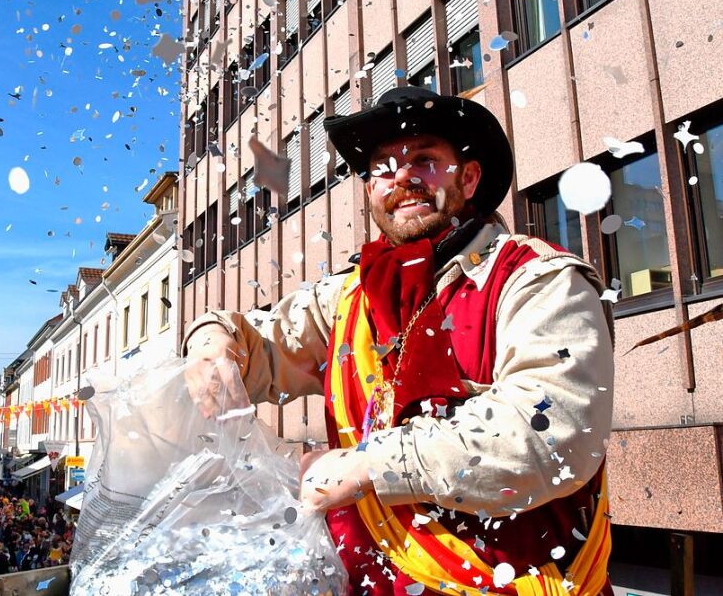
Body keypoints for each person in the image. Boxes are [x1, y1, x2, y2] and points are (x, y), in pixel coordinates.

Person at [184, 86, 614, 595]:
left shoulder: (534, 278)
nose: (402, 178)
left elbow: (551, 432)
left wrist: (364, 466)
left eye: (425, 161)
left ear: (469, 177)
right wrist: (212, 338)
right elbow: (261, 346)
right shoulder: (348, 296)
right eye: (383, 166)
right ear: (369, 190)